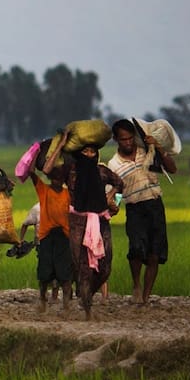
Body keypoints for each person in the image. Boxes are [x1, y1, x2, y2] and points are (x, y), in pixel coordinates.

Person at [45, 134, 123, 321]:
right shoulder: (70, 171)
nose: (89, 155)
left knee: (105, 266)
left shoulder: (102, 172)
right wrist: (61, 146)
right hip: (76, 222)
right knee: (82, 266)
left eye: (92, 151)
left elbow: (120, 183)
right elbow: (48, 170)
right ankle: (87, 309)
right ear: (79, 154)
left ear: (96, 154)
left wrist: (110, 197)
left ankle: (84, 292)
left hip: (100, 221)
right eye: (85, 151)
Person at [107, 119, 178, 305]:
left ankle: (146, 296)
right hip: (134, 208)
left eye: (130, 138)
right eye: (123, 139)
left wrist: (159, 148)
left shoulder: (147, 151)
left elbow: (172, 169)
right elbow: (118, 191)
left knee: (155, 253)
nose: (128, 142)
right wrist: (115, 206)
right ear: (116, 140)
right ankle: (136, 285)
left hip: (154, 205)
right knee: (136, 249)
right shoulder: (113, 165)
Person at [25, 164, 73, 312]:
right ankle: (42, 300)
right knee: (44, 273)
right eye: (54, 178)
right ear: (50, 178)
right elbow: (32, 173)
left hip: (64, 236)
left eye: (60, 178)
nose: (57, 181)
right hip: (46, 235)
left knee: (65, 273)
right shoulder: (44, 190)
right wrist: (34, 154)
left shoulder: (68, 194)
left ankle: (66, 305)